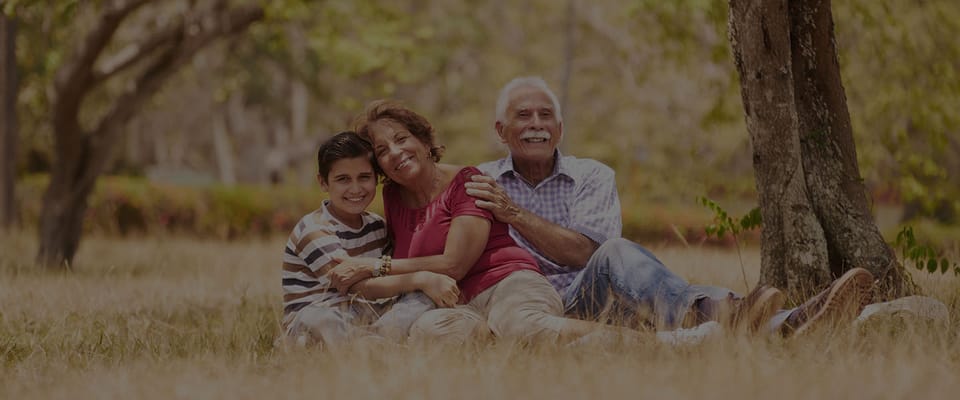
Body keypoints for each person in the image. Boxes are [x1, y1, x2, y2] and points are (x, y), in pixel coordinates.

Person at [463, 76, 874, 335]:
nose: (536, 123)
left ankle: (776, 321)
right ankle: (763, 317)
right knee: (626, 263)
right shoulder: (480, 182)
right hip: (538, 308)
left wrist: (513, 213)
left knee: (614, 253)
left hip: (601, 298)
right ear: (501, 131)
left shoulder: (592, 175)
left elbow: (586, 253)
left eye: (545, 115)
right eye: (523, 116)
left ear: (560, 128)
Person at [325, 101, 716, 345]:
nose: (395, 152)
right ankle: (550, 345)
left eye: (402, 138)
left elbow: (453, 265)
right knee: (429, 335)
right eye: (382, 151)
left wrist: (375, 266)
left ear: (425, 142)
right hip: (458, 304)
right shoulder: (392, 197)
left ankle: (668, 343)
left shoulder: (468, 182)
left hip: (508, 285)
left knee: (520, 323)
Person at [280, 131, 460, 347]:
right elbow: (356, 285)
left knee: (423, 298)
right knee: (319, 318)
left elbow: (389, 273)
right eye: (343, 179)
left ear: (376, 179)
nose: (355, 189)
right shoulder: (314, 229)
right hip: (323, 317)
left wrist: (424, 285)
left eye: (364, 177)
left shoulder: (376, 225)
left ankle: (374, 342)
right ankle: (371, 345)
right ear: (324, 182)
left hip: (370, 318)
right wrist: (421, 278)